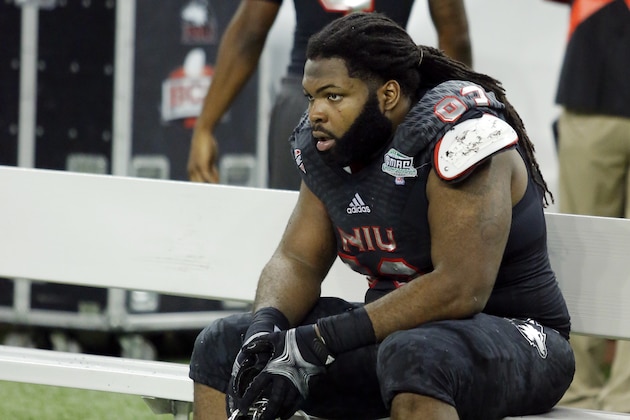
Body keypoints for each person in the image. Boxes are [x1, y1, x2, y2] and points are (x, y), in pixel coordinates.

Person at [189, 12, 575, 420]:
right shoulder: (330, 145)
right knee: (226, 344)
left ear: (388, 95)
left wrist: (318, 342)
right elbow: (297, 260)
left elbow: (460, 287)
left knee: (414, 357)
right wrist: (265, 328)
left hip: (520, 339)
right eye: (311, 96)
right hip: (398, 338)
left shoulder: (463, 135)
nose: (316, 112)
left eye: (333, 96)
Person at [187, 0, 472, 190]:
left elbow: (249, 32)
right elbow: (454, 35)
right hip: (384, 100)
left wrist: (205, 127)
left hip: (308, 97)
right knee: (392, 237)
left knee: (292, 235)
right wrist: (454, 123)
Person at [550, 0, 630, 412]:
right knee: (585, 249)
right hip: (592, 88)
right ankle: (578, 386)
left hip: (592, 94)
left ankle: (624, 396)